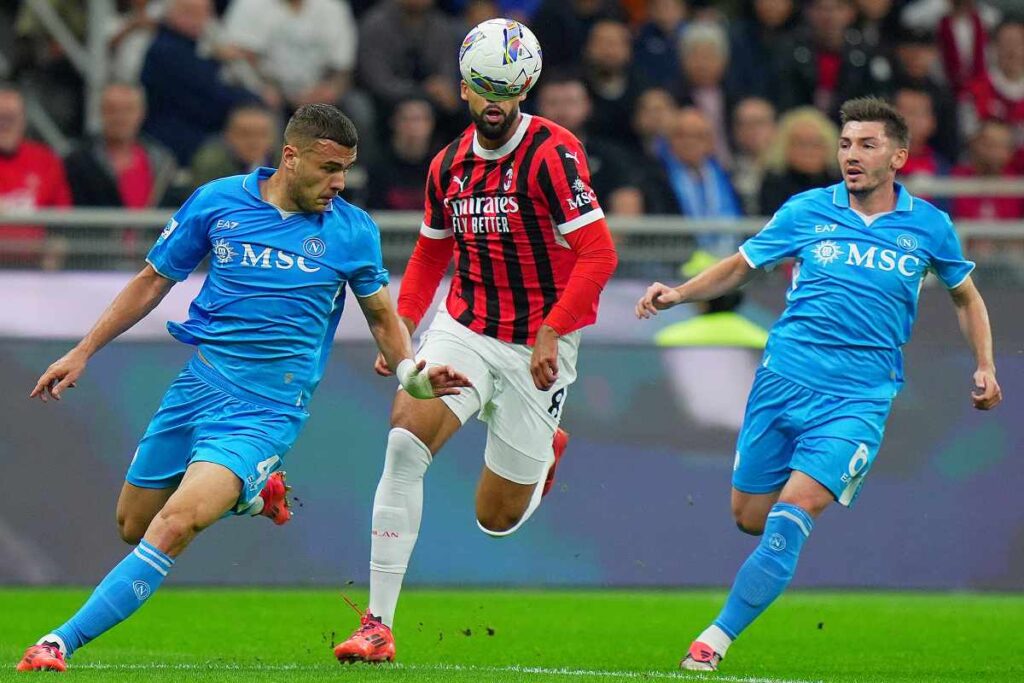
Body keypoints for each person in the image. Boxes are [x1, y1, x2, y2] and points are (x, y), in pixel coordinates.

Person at [15, 104, 470, 673]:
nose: (339, 183)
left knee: (174, 525)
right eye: (328, 168)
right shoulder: (218, 201)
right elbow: (153, 280)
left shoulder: (352, 231)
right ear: (289, 156)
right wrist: (82, 351)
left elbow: (382, 320)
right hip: (198, 387)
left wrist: (414, 377)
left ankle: (59, 642)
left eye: (346, 170)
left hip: (267, 411)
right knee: (131, 524)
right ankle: (256, 496)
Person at [636, 97, 1002, 671]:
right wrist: (679, 293)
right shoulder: (806, 210)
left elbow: (966, 298)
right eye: (846, 144)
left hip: (859, 399)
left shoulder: (930, 226)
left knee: (791, 513)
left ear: (899, 156)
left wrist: (985, 364)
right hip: (782, 382)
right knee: (748, 517)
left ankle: (713, 640)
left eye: (867, 144)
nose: (851, 156)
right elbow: (741, 265)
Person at [332, 18, 619, 664]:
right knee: (404, 439)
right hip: (466, 326)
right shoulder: (448, 166)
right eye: (483, 88)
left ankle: (544, 455)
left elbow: (598, 254)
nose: (495, 102)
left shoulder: (553, 152)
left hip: (539, 345)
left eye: (508, 90)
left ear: (525, 89)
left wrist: (552, 328)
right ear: (463, 88)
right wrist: (399, 332)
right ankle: (378, 623)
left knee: (496, 517)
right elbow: (432, 257)